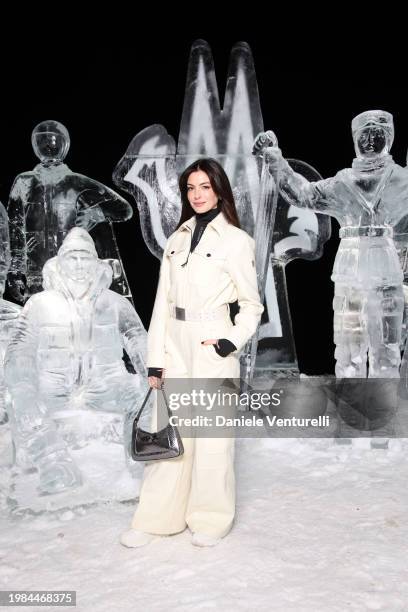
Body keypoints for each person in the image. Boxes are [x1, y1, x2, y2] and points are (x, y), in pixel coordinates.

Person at [120, 158, 264, 548]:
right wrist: (156, 359)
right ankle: (156, 518)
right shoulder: (176, 239)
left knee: (213, 439)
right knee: (169, 432)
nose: (197, 195)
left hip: (212, 341)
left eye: (204, 186)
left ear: (219, 189)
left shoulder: (237, 241)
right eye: (190, 188)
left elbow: (252, 305)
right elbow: (161, 304)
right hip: (175, 343)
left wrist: (230, 341)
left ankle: (210, 519)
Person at [253, 110, 408, 378]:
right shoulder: (344, 182)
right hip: (350, 269)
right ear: (354, 139)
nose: (370, 140)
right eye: (364, 134)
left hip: (387, 268)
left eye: (377, 134)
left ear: (390, 138)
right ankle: (352, 405)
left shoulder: (402, 181)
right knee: (349, 348)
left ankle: (387, 408)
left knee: (386, 349)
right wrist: (275, 159)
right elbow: (304, 195)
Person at [4, 228, 146, 494]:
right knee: (18, 397)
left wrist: (152, 371)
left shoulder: (114, 303)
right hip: (53, 388)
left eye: (85, 258)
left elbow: (139, 340)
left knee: (146, 392)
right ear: (59, 263)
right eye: (72, 258)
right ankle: (54, 464)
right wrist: (24, 382)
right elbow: (19, 351)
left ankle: (141, 457)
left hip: (106, 385)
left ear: (96, 263)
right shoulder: (39, 304)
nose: (80, 265)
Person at [7, 120, 133, 303]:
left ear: (64, 145)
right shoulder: (24, 181)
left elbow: (124, 209)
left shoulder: (76, 182)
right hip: (36, 270)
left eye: (53, 141)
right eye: (43, 141)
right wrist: (16, 268)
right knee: (38, 320)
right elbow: (15, 227)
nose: (49, 146)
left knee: (71, 322)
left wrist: (94, 215)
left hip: (72, 270)